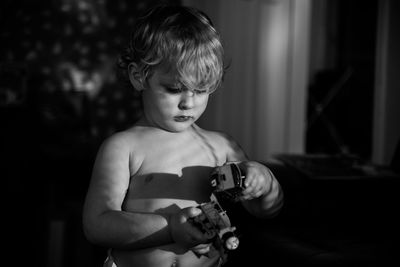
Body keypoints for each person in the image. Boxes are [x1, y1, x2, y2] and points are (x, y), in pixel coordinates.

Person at [82, 5, 284, 267]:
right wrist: (170, 229)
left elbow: (265, 211)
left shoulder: (221, 147)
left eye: (201, 90)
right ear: (138, 77)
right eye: (175, 88)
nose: (188, 103)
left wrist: (266, 184)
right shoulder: (123, 147)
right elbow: (97, 224)